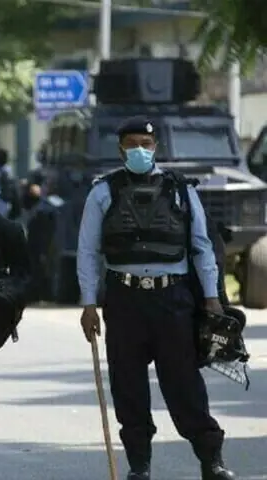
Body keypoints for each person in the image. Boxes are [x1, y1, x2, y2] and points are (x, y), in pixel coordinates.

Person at [77, 116, 235, 480]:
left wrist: (212, 298)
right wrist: (88, 304)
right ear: (120, 149)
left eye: (145, 145)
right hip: (124, 300)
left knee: (184, 385)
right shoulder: (103, 191)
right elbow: (87, 251)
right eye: (131, 144)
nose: (139, 151)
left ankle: (211, 461)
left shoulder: (180, 189)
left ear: (156, 147)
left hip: (173, 300)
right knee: (128, 386)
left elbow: (201, 246)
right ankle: (139, 466)